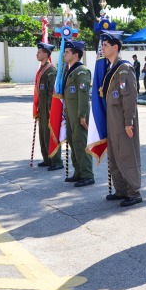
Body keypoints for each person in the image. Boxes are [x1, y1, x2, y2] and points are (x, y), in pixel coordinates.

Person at [101, 31, 142, 207]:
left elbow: (130, 97)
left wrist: (128, 122)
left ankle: (134, 192)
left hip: (123, 120)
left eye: (105, 45)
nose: (102, 48)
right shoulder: (110, 68)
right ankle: (121, 190)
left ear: (115, 47)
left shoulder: (124, 69)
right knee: (114, 155)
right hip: (112, 120)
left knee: (126, 155)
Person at [62, 40, 94, 187]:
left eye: (67, 52)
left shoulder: (82, 71)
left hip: (79, 115)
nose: (64, 53)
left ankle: (87, 175)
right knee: (74, 144)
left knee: (81, 143)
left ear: (76, 54)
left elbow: (83, 95)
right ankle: (78, 172)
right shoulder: (70, 71)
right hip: (70, 114)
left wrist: (82, 116)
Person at [34, 42, 63, 171]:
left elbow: (53, 92)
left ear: (46, 54)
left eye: (39, 52)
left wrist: (51, 109)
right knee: (43, 133)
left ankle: (56, 160)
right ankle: (47, 158)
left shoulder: (51, 71)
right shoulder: (41, 69)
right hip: (42, 108)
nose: (37, 54)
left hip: (49, 108)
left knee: (50, 133)